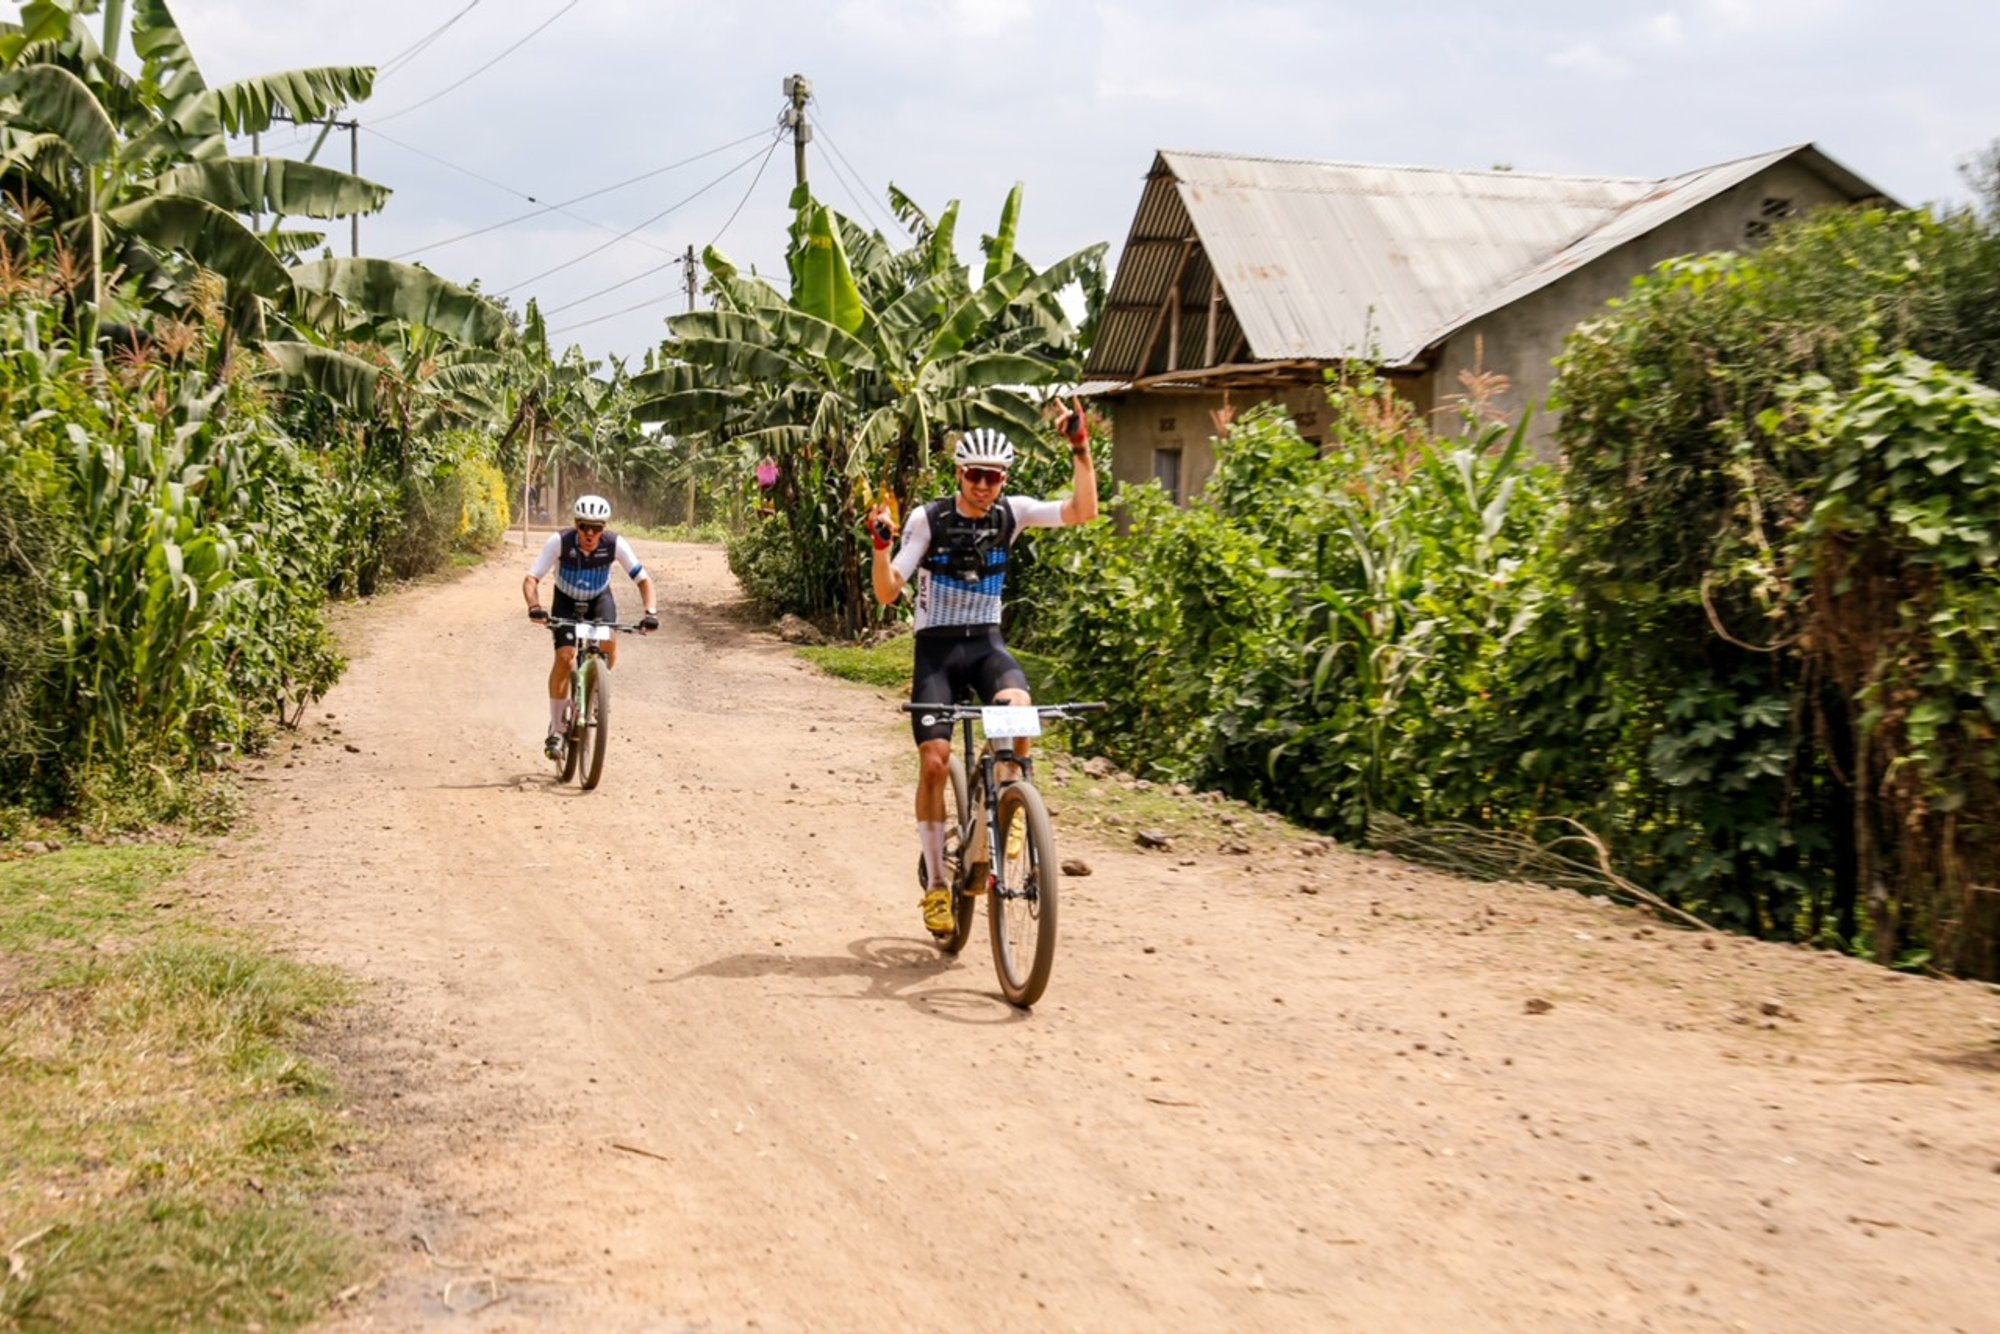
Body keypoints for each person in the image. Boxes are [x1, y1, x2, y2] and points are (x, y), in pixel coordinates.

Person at [867, 401, 1098, 935]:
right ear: (959, 474)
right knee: (934, 760)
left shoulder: (1012, 513)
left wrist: (1080, 448)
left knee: (1019, 712)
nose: (983, 486)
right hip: (937, 651)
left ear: (1003, 480)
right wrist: (881, 548)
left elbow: (1082, 511)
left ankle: (1014, 803)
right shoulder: (929, 520)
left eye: (993, 478)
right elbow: (886, 593)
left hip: (987, 645)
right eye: (974, 475)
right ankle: (935, 887)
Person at [522, 494, 658, 759]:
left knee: (608, 645)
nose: (590, 533)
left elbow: (644, 581)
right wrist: (534, 607)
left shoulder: (615, 544)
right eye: (584, 526)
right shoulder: (559, 542)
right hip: (565, 601)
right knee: (565, 657)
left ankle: (596, 690)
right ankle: (557, 728)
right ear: (576, 524)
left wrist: (650, 612)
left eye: (597, 528)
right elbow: (531, 579)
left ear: (604, 529)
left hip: (599, 599)